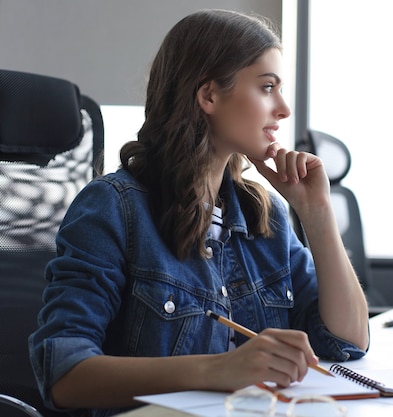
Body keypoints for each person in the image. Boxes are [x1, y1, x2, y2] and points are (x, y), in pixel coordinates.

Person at [29, 9, 369, 417]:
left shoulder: (266, 216)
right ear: (208, 96)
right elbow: (63, 375)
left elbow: (346, 343)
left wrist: (316, 213)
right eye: (266, 87)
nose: (282, 109)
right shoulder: (113, 207)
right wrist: (217, 369)